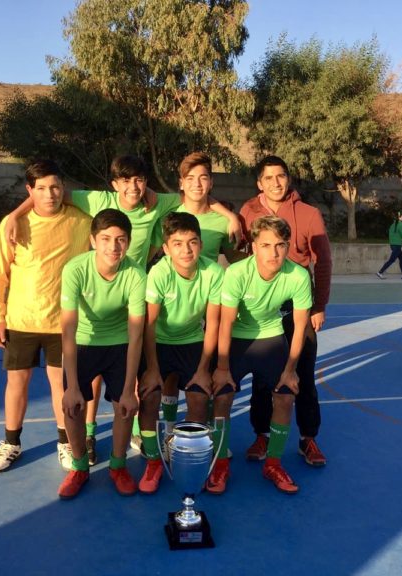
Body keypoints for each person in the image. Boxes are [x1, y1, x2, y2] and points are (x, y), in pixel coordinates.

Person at [3, 155, 240, 464]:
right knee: (94, 376)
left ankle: (143, 439)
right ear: (114, 184)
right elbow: (51, 194)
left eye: (139, 180)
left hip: (135, 291)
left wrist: (228, 215)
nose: (133, 187)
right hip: (101, 298)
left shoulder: (160, 205)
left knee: (136, 379)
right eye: (125, 181)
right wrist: (14, 214)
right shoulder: (97, 200)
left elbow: (194, 195)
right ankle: (87, 433)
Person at [0, 160, 91, 474]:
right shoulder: (14, 224)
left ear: (64, 188)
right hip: (21, 321)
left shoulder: (82, 220)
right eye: (41, 188)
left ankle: (65, 443)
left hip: (65, 323)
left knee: (62, 385)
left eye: (55, 186)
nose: (50, 194)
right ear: (29, 191)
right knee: (17, 382)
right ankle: (11, 443)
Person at [239, 156, 332, 467]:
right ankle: (262, 434)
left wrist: (319, 305)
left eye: (281, 176)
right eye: (269, 178)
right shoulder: (248, 211)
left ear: (288, 179)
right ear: (259, 183)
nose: (276, 182)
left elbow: (324, 261)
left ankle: (309, 439)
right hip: (261, 307)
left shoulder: (308, 214)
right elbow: (240, 253)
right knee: (263, 378)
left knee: (302, 372)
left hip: (298, 303)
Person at [214, 215, 312, 493]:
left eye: (280, 245)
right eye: (266, 245)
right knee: (222, 396)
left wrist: (290, 369)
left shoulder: (298, 275)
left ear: (288, 246)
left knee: (284, 395)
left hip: (271, 338)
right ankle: (220, 465)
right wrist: (221, 367)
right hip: (236, 341)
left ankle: (273, 463)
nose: (274, 252)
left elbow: (301, 326)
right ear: (254, 246)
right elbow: (225, 323)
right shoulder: (236, 273)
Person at [150, 152, 245, 437]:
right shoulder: (168, 210)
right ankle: (160, 428)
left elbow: (234, 258)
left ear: (211, 182)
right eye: (190, 178)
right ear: (181, 183)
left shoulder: (222, 220)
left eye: (203, 177)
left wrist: (231, 217)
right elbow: (154, 251)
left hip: (203, 299)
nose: (197, 184)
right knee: (161, 377)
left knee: (197, 375)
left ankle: (198, 436)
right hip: (168, 296)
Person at [57, 209, 147, 499]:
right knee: (71, 405)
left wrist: (131, 388)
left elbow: (136, 335)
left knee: (124, 405)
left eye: (121, 239)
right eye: (106, 238)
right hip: (83, 341)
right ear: (94, 241)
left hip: (120, 342)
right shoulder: (75, 268)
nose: (113, 246)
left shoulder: (135, 273)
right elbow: (68, 330)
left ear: (129, 242)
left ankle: (118, 466)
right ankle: (80, 467)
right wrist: (71, 387)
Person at [138, 212, 225, 494]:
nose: (185, 250)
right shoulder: (160, 272)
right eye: (177, 243)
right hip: (159, 342)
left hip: (192, 342)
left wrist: (203, 368)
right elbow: (149, 325)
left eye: (192, 242)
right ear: (166, 248)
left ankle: (192, 456)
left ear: (201, 244)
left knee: (199, 397)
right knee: (150, 396)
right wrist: (151, 369)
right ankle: (153, 460)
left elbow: (213, 322)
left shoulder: (213, 272)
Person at [376, 212, 402, 279]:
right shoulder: (401, 224)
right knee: (391, 260)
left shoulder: (392, 225)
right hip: (397, 246)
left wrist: (401, 242)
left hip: (393, 245)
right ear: (400, 217)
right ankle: (380, 272)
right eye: (401, 217)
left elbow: (393, 235)